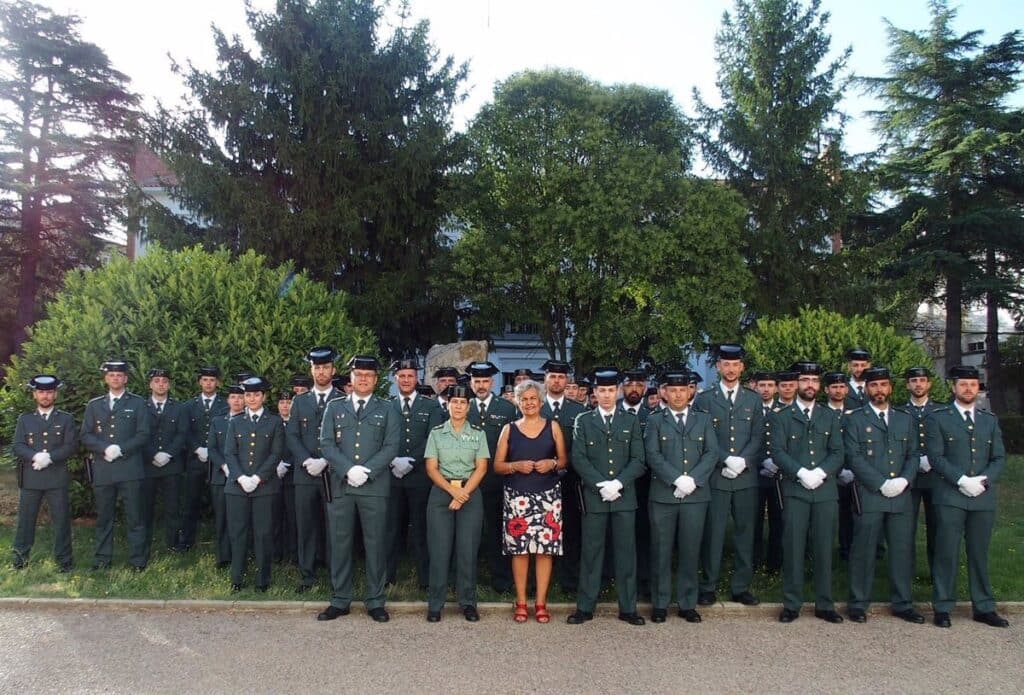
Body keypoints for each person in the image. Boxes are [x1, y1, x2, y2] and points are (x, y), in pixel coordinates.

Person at [317, 355, 400, 623]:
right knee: (340, 544)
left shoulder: (387, 409)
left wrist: (366, 471)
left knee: (375, 545)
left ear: (376, 380)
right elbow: (327, 444)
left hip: (374, 487)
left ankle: (375, 601)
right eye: (358, 374)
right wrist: (347, 469)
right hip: (342, 487)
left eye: (368, 375)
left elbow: (391, 447)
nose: (363, 379)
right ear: (350, 378)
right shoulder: (334, 407)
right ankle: (340, 599)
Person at [925, 365, 1009, 628]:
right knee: (946, 552)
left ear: (978, 388)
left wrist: (983, 481)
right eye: (963, 384)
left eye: (973, 385)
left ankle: (983, 606)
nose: (968, 389)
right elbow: (935, 457)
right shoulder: (938, 417)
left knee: (978, 553)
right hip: (951, 494)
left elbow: (998, 457)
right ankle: (942, 606)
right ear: (953, 388)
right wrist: (961, 480)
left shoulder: (989, 419)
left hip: (982, 497)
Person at [567, 368, 646, 626]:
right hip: (595, 496)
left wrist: (619, 483)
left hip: (624, 497)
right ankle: (585, 606)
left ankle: (628, 607)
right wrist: (601, 484)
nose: (607, 395)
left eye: (611, 390)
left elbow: (638, 459)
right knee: (591, 552)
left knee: (626, 553)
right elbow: (578, 457)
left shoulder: (631, 420)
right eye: (602, 391)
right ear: (595, 393)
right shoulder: (584, 420)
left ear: (618, 392)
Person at [843, 367, 923, 624]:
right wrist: (879, 483)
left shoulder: (905, 418)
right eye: (874, 385)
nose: (879, 390)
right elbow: (853, 456)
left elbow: (913, 454)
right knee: (863, 550)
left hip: (900, 494)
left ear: (891, 388)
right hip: (870, 494)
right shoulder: (855, 419)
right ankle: (857, 602)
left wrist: (903, 480)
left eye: (884, 385)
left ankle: (903, 603)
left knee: (901, 550)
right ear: (866, 389)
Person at [770, 362, 844, 624]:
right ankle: (791, 603)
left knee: (825, 548)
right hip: (795, 490)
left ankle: (825, 603)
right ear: (796, 384)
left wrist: (821, 473)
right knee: (793, 547)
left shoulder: (831, 416)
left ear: (819, 385)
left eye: (814, 380)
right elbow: (778, 452)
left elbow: (838, 452)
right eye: (805, 380)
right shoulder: (781, 416)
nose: (810, 385)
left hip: (825, 491)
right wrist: (801, 473)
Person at [644, 369, 717, 623]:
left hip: (695, 496)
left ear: (690, 391)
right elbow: (652, 454)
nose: (677, 395)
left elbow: (711, 453)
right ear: (664, 392)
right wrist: (676, 479)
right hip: (664, 495)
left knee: (690, 549)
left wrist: (691, 481)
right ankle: (660, 603)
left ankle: (688, 603)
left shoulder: (704, 419)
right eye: (672, 390)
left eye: (682, 390)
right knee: (661, 550)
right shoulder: (655, 420)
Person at [694, 344, 764, 607]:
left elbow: (758, 436)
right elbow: (703, 436)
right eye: (726, 364)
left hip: (745, 478)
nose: (731, 369)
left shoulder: (753, 399)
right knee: (713, 532)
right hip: (717, 476)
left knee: (745, 532)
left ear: (742, 367)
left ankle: (741, 586)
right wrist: (725, 459)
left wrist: (742, 461)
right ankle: (709, 586)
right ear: (718, 367)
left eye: (735, 365)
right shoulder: (705, 399)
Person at [494, 379, 568, 623]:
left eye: (533, 399)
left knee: (545, 552)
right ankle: (522, 601)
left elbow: (564, 461)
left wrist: (553, 463)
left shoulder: (553, 427)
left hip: (548, 497)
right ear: (517, 401)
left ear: (541, 401)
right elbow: (497, 465)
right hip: (517, 497)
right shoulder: (509, 429)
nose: (528, 403)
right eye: (524, 399)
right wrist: (515, 465)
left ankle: (541, 603)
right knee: (521, 551)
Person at [423, 384, 490, 622]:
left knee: (467, 550)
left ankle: (468, 602)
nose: (458, 406)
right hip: (442, 492)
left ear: (468, 407)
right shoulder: (437, 433)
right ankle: (435, 604)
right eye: (454, 402)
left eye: (463, 403)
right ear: (448, 405)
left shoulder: (478, 434)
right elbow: (431, 468)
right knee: (439, 550)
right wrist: (453, 491)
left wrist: (462, 494)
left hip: (470, 493)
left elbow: (482, 467)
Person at [80, 360, 151, 571]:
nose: (115, 379)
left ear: (126, 379)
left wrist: (120, 448)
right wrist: (104, 448)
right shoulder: (94, 405)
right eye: (111, 375)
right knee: (104, 517)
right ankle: (102, 559)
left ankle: (138, 561)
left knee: (135, 517)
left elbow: (143, 434)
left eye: (119, 375)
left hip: (129, 468)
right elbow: (85, 434)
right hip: (104, 468)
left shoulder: (138, 403)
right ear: (106, 379)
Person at [286, 346, 342, 593]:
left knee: (334, 526)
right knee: (306, 525)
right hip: (305, 474)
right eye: (317, 367)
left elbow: (347, 438)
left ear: (333, 369)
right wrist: (307, 461)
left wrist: (327, 461)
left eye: (325, 367)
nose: (321, 372)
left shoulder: (342, 399)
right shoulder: (300, 401)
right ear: (312, 370)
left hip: (334, 473)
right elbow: (292, 435)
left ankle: (335, 575)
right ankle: (307, 575)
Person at [387, 353, 445, 589]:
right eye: (402, 376)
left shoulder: (430, 405)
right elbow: (381, 439)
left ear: (417, 377)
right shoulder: (386, 405)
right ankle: (388, 576)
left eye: (410, 375)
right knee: (390, 529)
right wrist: (393, 461)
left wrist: (410, 460)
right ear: (396, 378)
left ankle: (425, 579)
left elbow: (432, 438)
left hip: (420, 476)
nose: (406, 380)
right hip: (391, 477)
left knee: (421, 529)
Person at [224, 376, 284, 592]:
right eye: (248, 395)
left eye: (256, 395)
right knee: (237, 533)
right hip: (237, 487)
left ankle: (262, 580)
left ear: (264, 396)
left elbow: (276, 453)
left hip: (264, 487)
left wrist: (258, 478)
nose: (251, 399)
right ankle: (236, 579)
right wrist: (241, 477)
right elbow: (229, 453)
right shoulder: (235, 421)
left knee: (263, 533)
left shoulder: (275, 421)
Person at [12, 375, 78, 572]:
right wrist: (35, 456)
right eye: (41, 392)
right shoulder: (25, 420)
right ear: (34, 395)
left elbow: (71, 446)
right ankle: (19, 560)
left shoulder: (66, 419)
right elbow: (17, 446)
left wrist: (49, 457)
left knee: (61, 521)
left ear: (55, 394)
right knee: (25, 520)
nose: (45, 396)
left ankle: (64, 562)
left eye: (49, 392)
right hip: (31, 478)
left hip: (56, 478)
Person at [467, 361, 518, 594]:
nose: (481, 385)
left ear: (492, 383)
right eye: (477, 381)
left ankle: (501, 580)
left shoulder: (507, 409)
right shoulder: (462, 406)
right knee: (469, 533)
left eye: (485, 381)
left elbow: (513, 445)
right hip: (467, 481)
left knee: (498, 532)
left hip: (496, 482)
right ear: (471, 382)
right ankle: (468, 578)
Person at [539, 359, 587, 594]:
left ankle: (569, 581)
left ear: (567, 381)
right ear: (545, 380)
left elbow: (581, 447)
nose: (557, 380)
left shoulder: (578, 410)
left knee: (570, 531)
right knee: (539, 530)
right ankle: (538, 582)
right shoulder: (533, 407)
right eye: (552, 376)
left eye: (561, 377)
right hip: (538, 480)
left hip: (570, 480)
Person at [141, 368, 188, 565]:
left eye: (164, 381)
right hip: (148, 465)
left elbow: (182, 433)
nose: (161, 384)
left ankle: (173, 544)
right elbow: (139, 434)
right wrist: (152, 454)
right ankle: (144, 545)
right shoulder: (141, 407)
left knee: (172, 507)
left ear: (169, 385)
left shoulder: (179, 408)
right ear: (150, 384)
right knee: (145, 508)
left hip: (172, 464)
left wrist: (168, 453)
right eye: (157, 381)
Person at [181, 366, 229, 551]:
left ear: (217, 382)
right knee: (191, 502)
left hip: (217, 462)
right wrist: (196, 448)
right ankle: (186, 541)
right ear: (200, 382)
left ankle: (222, 543)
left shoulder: (225, 405)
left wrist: (212, 450)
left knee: (221, 504)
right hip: (196, 461)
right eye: (205, 379)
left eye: (212, 380)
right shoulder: (189, 406)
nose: (209, 383)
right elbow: (184, 431)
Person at [905, 366, 943, 578]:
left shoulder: (940, 411)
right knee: (906, 528)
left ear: (929, 384)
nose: (918, 384)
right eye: (913, 380)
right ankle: (906, 574)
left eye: (922, 380)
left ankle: (938, 573)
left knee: (936, 527)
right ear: (907, 385)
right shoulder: (900, 412)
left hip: (935, 477)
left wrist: (930, 458)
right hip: (909, 479)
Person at [206, 384, 245, 568]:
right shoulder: (218, 421)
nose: (237, 401)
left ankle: (243, 554)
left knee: (241, 519)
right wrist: (223, 465)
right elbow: (212, 448)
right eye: (233, 397)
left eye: (240, 397)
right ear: (228, 400)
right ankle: (223, 557)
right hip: (221, 477)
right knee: (222, 517)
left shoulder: (249, 421)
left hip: (243, 478)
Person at [752, 371, 782, 573]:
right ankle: (753, 562)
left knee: (778, 520)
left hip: (778, 476)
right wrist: (762, 461)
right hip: (755, 474)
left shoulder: (784, 410)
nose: (766, 389)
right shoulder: (749, 409)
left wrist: (777, 462)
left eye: (770, 385)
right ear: (755, 386)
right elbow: (746, 441)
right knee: (753, 521)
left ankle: (774, 564)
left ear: (776, 388)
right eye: (762, 385)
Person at [824, 370, 856, 562]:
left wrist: (851, 469)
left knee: (850, 514)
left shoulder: (856, 411)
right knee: (825, 517)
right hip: (827, 473)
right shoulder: (820, 412)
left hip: (852, 472)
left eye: (842, 386)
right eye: (834, 386)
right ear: (826, 389)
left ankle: (848, 551)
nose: (838, 390)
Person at [273, 391, 297, 564]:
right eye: (282, 403)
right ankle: (275, 554)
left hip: (292, 477)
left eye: (288, 403)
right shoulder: (272, 423)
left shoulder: (297, 424)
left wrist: (286, 463)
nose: (285, 406)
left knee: (292, 516)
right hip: (273, 476)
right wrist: (275, 465)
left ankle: (293, 554)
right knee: (274, 516)